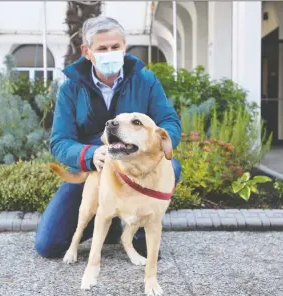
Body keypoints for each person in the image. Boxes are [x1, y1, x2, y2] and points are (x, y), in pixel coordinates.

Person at [34, 16, 182, 260]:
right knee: (48, 246)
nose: (110, 52)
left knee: (170, 165)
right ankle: (110, 220)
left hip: (135, 167)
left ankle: (138, 234)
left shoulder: (146, 80)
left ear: (124, 46)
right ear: (87, 51)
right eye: (102, 48)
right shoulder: (71, 89)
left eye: (115, 47)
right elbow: (60, 141)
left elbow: (169, 123)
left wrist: (150, 147)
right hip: (94, 172)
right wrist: (91, 154)